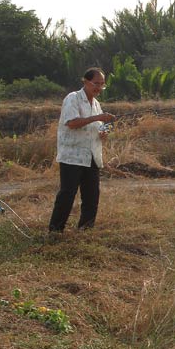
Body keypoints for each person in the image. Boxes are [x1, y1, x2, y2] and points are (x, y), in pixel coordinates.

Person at [48, 68, 115, 233]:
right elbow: (72, 123)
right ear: (85, 81)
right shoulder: (73, 98)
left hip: (92, 155)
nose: (98, 88)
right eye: (96, 83)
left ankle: (85, 230)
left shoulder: (96, 104)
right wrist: (97, 118)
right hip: (72, 156)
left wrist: (103, 131)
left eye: (102, 85)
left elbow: (97, 127)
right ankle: (55, 231)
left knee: (92, 197)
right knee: (67, 195)